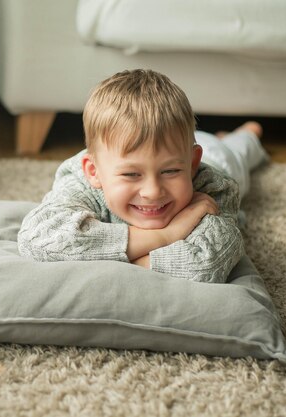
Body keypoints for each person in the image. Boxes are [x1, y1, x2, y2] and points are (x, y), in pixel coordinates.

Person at [18, 69, 268, 283]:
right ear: (94, 172)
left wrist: (105, 257)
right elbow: (37, 240)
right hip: (177, 148)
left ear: (191, 165)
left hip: (218, 157)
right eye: (130, 174)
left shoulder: (213, 187)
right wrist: (165, 236)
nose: (152, 191)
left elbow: (207, 264)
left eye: (170, 171)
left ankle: (248, 133)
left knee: (239, 152)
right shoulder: (80, 181)